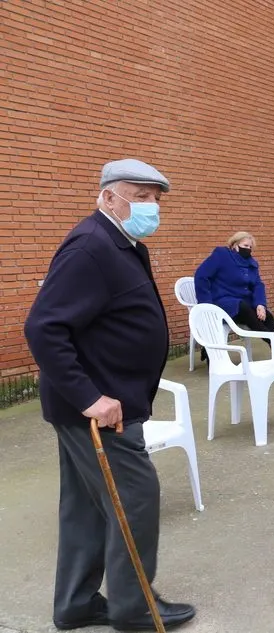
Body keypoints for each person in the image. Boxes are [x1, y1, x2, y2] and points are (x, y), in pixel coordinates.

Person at [23, 159, 196, 630]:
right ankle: (133, 607)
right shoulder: (92, 246)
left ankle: (76, 603)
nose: (151, 206)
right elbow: (44, 327)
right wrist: (89, 398)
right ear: (107, 197)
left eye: (156, 199)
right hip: (101, 411)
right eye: (140, 196)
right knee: (136, 499)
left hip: (101, 406)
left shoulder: (120, 242)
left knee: (85, 507)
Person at [194, 231, 274, 370]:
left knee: (267, 315)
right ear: (235, 244)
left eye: (250, 247)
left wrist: (260, 304)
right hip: (221, 302)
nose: (248, 249)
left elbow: (257, 285)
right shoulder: (222, 255)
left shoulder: (251, 263)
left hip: (243, 305)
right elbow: (201, 276)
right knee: (242, 307)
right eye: (245, 245)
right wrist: (206, 305)